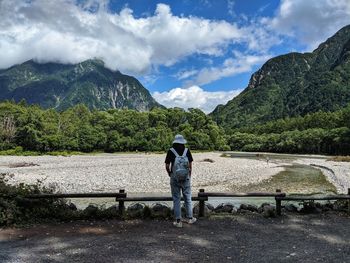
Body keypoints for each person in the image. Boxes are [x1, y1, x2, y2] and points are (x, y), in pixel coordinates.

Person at [165, 134, 196, 228]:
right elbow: (190, 165)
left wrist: (170, 173)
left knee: (176, 198)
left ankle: (178, 221)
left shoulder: (171, 151)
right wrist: (189, 176)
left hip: (175, 178)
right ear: (183, 142)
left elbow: (167, 165)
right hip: (186, 178)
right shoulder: (187, 150)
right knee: (188, 197)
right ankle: (190, 218)